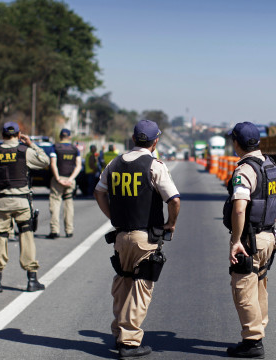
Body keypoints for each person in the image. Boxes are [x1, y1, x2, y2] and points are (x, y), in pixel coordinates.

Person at [94, 119, 180, 359]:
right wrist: (170, 224)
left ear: (133, 139)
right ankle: (130, 343)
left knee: (123, 283)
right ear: (155, 141)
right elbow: (173, 199)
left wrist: (113, 216)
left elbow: (98, 192)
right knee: (140, 287)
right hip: (145, 236)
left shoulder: (115, 163)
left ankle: (118, 332)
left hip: (121, 235)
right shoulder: (154, 166)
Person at [224, 122, 276, 358]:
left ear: (237, 143)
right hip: (268, 236)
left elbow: (239, 208)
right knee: (260, 285)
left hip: (250, 239)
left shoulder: (245, 169)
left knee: (243, 289)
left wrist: (236, 240)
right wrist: (273, 213)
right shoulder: (271, 165)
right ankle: (258, 330)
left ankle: (252, 342)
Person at [0, 122, 50, 293]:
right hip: (21, 203)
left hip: (1, 203)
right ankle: (32, 280)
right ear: (19, 135)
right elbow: (45, 161)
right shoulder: (24, 151)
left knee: (0, 237)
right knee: (26, 237)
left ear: (2, 134)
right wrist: (31, 144)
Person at [47, 128, 81, 239]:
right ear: (69, 137)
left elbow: (53, 163)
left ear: (60, 136)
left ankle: (54, 231)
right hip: (70, 180)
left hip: (58, 180)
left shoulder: (55, 147)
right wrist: (71, 179)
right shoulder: (74, 149)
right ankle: (69, 230)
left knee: (55, 204)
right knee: (69, 204)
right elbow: (78, 166)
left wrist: (57, 178)